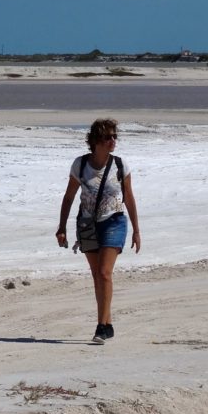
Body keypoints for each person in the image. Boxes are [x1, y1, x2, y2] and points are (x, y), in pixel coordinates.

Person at [56, 118, 141, 344]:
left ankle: (101, 327)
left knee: (104, 273)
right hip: (87, 223)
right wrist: (61, 227)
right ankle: (108, 323)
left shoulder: (120, 165)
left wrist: (136, 230)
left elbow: (129, 198)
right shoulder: (80, 165)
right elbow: (69, 196)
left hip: (114, 221)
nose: (113, 140)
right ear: (95, 141)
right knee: (97, 276)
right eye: (107, 137)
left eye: (114, 136)